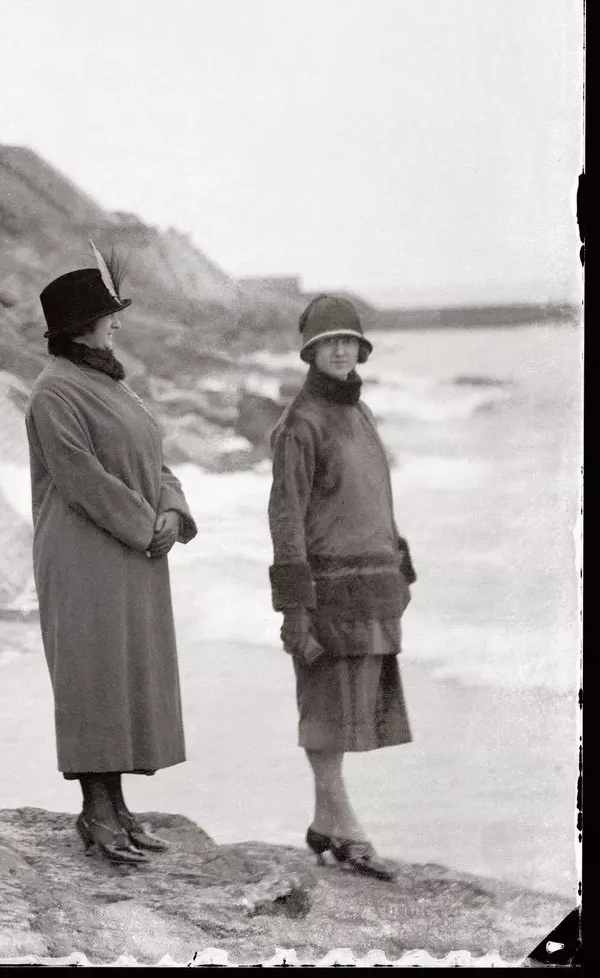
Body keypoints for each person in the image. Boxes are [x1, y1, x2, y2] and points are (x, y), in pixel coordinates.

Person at [25, 251, 198, 866]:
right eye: (108, 316)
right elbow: (80, 476)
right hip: (83, 556)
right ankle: (96, 814)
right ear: (81, 328)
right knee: (91, 680)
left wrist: (172, 513)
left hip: (131, 552)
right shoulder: (54, 393)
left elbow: (157, 456)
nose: (116, 325)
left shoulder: (111, 382)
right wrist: (143, 525)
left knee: (120, 679)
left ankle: (118, 809)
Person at [268, 295, 415, 882]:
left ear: (360, 348)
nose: (339, 349)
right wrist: (294, 606)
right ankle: (344, 823)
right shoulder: (298, 424)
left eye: (348, 341)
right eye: (328, 341)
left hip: (373, 586)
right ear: (310, 352)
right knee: (327, 707)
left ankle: (326, 824)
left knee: (352, 709)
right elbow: (285, 518)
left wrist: (400, 560)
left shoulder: (363, 414)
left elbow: (376, 491)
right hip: (327, 589)